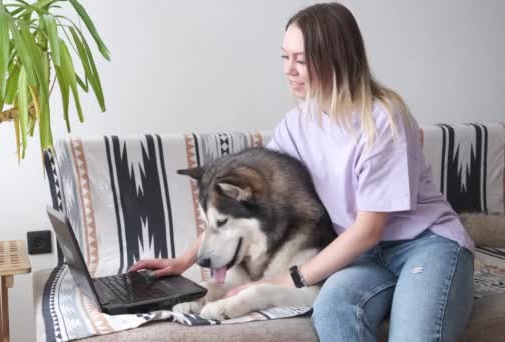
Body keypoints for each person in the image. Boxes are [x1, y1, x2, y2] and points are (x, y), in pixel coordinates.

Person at [130, 3, 475, 341]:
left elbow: (369, 229)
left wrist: (290, 279)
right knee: (334, 312)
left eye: (301, 60)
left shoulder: (382, 118)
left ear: (335, 59)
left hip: (425, 246)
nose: (288, 69)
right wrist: (183, 260)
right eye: (285, 57)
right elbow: (239, 206)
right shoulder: (297, 125)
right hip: (363, 257)